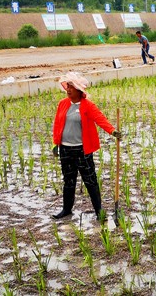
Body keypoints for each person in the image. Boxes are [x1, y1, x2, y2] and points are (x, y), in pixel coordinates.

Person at [51, 72, 122, 221]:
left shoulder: (87, 105)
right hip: (65, 149)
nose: (68, 89)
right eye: (67, 86)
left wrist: (112, 131)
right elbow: (57, 124)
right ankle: (66, 209)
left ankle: (99, 211)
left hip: (82, 150)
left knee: (90, 180)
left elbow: (100, 119)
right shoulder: (63, 104)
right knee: (68, 181)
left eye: (71, 87)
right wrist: (55, 144)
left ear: (79, 90)